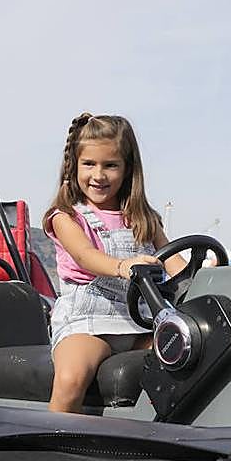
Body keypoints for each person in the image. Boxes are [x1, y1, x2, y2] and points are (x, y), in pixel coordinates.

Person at [43, 113, 182, 413]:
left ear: (128, 169)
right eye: (89, 164)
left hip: (141, 322)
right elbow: (85, 255)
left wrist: (216, 276)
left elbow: (174, 261)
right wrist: (123, 266)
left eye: (110, 165)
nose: (99, 175)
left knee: (193, 355)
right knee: (71, 378)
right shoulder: (67, 216)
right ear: (73, 166)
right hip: (89, 323)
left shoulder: (145, 218)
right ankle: (51, 443)